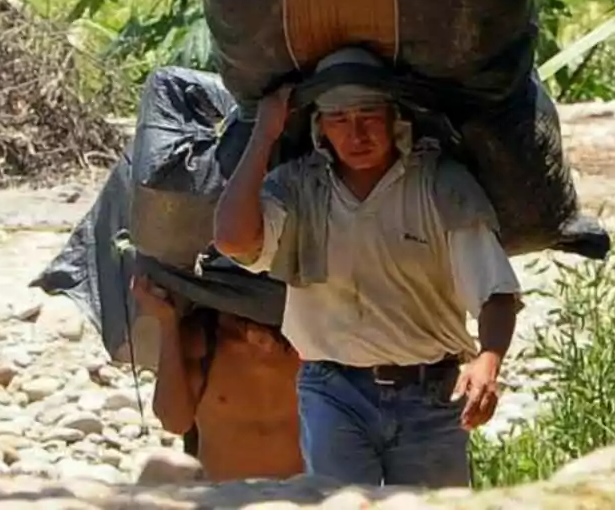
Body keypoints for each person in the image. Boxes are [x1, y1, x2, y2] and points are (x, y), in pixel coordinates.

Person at [213, 46, 522, 489]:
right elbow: (231, 238)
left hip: (430, 396)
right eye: (339, 120)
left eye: (367, 116)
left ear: (395, 118)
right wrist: (264, 135)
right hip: (332, 390)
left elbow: (495, 291)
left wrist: (489, 359)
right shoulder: (299, 188)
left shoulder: (439, 185)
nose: (356, 133)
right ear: (320, 127)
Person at [131, 274, 303, 481]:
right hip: (225, 499)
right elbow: (174, 421)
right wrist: (167, 323)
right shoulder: (202, 342)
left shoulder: (310, 344)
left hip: (304, 500)